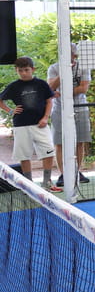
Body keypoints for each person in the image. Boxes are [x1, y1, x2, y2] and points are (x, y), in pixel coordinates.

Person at [0, 57, 60, 191]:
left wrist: (45, 117)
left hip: (40, 124)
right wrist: (10, 111)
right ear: (16, 70)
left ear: (33, 69)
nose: (23, 73)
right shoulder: (13, 86)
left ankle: (47, 182)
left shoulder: (41, 84)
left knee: (48, 151)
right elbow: (1, 100)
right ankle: (29, 185)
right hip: (21, 125)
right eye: (20, 70)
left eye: (26, 70)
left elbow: (49, 101)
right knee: (23, 155)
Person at [46, 45, 92, 188]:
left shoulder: (84, 67)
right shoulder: (53, 68)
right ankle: (64, 174)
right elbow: (50, 87)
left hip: (80, 107)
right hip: (59, 108)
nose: (70, 57)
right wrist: (63, 73)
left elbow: (84, 88)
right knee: (59, 143)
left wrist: (64, 92)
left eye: (72, 54)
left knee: (79, 141)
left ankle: (77, 172)